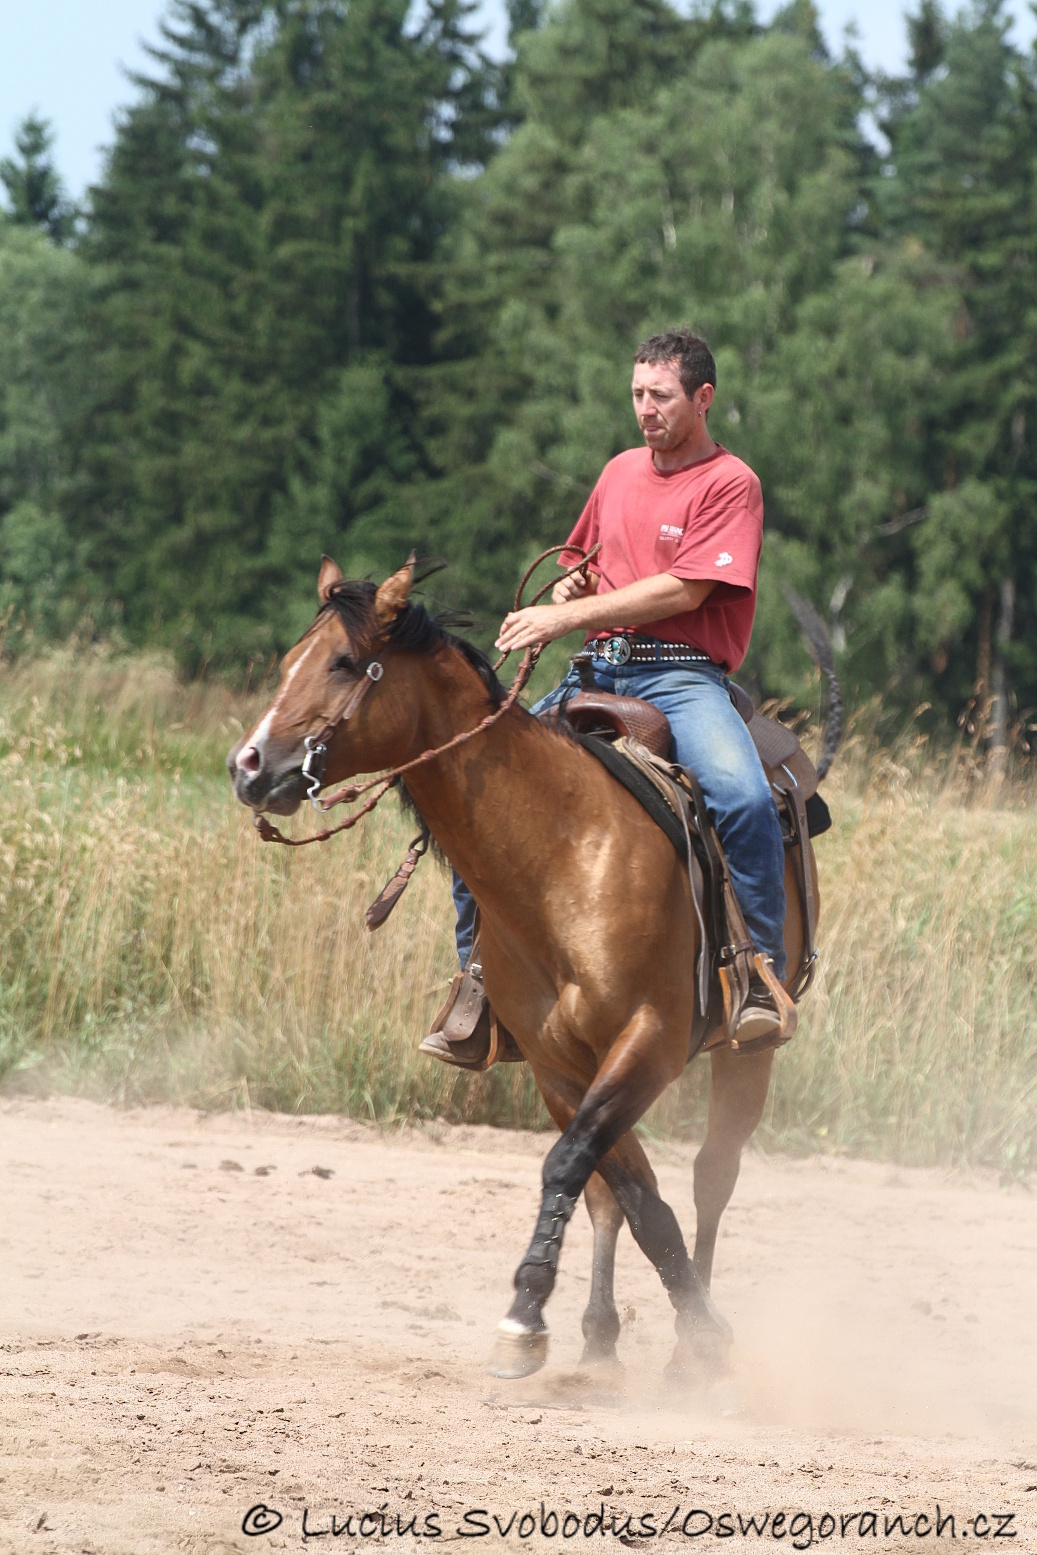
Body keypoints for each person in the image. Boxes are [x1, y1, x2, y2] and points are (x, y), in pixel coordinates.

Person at [421, 328, 788, 1069]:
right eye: (636, 394)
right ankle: (480, 984)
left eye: (659, 395)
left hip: (679, 674)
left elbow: (685, 587)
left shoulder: (729, 483)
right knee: (478, 787)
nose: (644, 408)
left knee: (742, 797)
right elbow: (578, 557)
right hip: (597, 668)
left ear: (702, 398)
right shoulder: (619, 470)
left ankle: (756, 977)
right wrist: (569, 584)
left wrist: (562, 616)